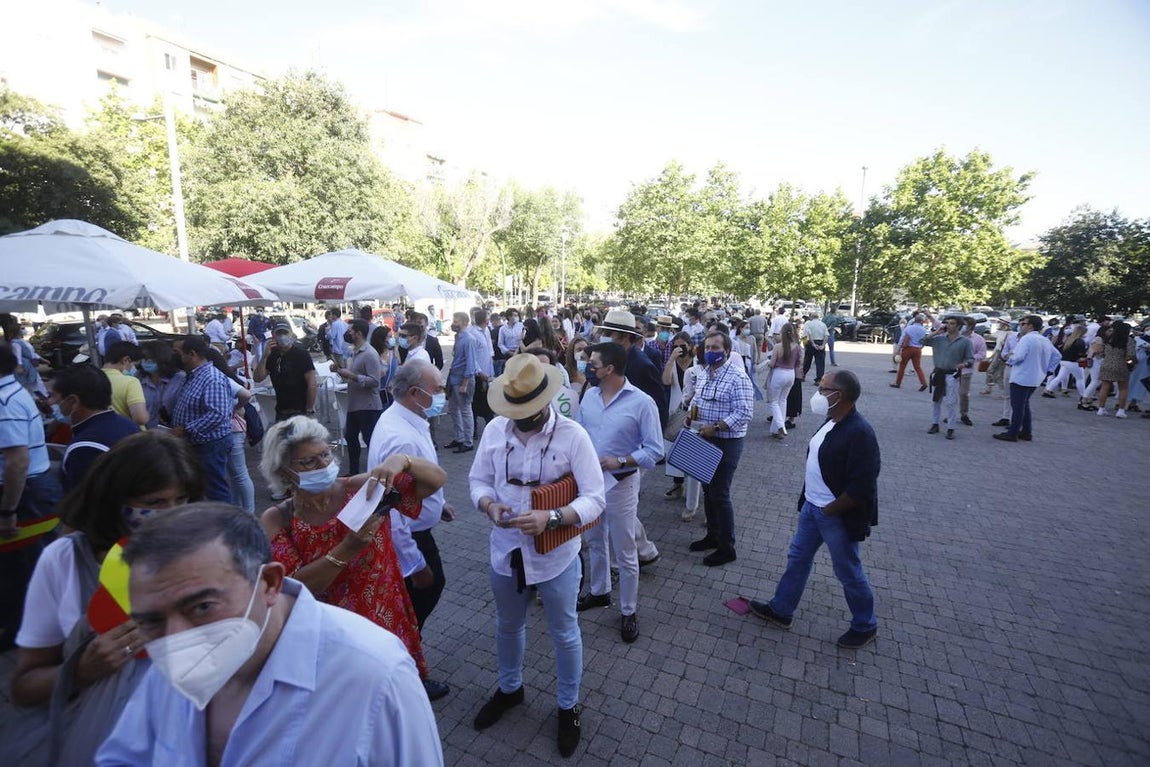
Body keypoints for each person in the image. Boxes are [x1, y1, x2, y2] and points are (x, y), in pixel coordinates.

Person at [94, 503, 443, 766]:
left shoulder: (375, 676)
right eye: (151, 621)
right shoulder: (165, 669)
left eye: (202, 607)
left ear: (270, 583)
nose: (176, 639)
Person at [7, 431, 201, 767]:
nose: (171, 515)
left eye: (181, 501)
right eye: (154, 503)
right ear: (115, 499)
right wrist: (81, 670)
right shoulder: (63, 561)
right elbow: (24, 687)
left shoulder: (207, 556)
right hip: (92, 743)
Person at [469, 354, 606, 758]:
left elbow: (595, 498)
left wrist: (554, 517)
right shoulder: (495, 430)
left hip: (557, 554)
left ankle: (569, 706)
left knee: (564, 632)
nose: (521, 418)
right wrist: (488, 505)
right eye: (515, 411)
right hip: (506, 550)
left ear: (545, 401)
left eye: (528, 411)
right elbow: (477, 479)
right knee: (507, 625)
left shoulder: (574, 436)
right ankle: (510, 689)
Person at [258, 416, 450, 699]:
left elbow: (435, 480)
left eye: (325, 454)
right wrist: (348, 548)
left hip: (385, 609)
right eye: (309, 462)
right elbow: (295, 589)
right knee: (356, 700)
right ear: (284, 471)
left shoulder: (360, 488)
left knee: (398, 688)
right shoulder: (279, 519)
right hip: (335, 631)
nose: (323, 465)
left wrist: (402, 460)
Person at [749, 369, 881, 649]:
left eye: (823, 389)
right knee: (797, 558)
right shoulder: (831, 420)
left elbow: (862, 488)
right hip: (813, 508)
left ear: (839, 395)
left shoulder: (860, 433)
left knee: (848, 570)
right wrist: (812, 503)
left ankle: (865, 625)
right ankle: (781, 610)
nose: (817, 394)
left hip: (835, 516)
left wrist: (829, 511)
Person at [365, 360, 452, 700]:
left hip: (415, 528)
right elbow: (394, 511)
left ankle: (405, 656)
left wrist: (437, 504)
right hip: (408, 538)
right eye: (439, 389)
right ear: (416, 393)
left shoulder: (407, 419)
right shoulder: (399, 436)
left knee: (414, 603)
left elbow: (414, 484)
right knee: (423, 592)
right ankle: (405, 665)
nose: (442, 394)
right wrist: (415, 565)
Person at [574, 343, 662, 643]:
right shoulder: (590, 395)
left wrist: (620, 461)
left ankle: (628, 610)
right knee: (594, 540)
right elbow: (580, 432)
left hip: (621, 485)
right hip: (590, 483)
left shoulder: (642, 402)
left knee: (624, 551)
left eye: (592, 363)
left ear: (609, 369)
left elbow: (654, 451)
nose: (588, 367)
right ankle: (599, 592)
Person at [0, 342, 64, 651]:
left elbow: (17, 461)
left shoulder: (5, 401)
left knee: (24, 568)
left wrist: (7, 510)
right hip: (29, 492)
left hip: (26, 496)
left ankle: (24, 635)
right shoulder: (13, 393)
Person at [684, 331, 754, 567]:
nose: (710, 351)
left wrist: (717, 427)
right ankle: (712, 536)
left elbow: (744, 413)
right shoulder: (705, 373)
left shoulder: (737, 377)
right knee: (708, 489)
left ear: (726, 351)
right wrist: (689, 414)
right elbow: (697, 400)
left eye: (715, 347)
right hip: (704, 438)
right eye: (707, 347)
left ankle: (727, 547)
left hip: (726, 441)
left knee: (720, 494)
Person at [47, 364, 139, 491]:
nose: (49, 402)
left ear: (73, 401)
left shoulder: (85, 448)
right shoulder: (126, 424)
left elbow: (87, 504)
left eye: (52, 396)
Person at [170, 335, 234, 502]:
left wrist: (185, 429)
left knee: (215, 490)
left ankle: (227, 525)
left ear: (191, 354)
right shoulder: (192, 375)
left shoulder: (212, 378)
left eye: (177, 352)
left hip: (210, 444)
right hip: (197, 444)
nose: (174, 356)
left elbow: (218, 414)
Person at [331, 319, 382, 474]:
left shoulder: (370, 353)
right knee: (351, 438)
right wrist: (339, 370)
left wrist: (353, 376)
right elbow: (355, 374)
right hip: (355, 405)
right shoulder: (355, 351)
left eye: (351, 330)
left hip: (368, 406)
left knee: (370, 441)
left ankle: (378, 472)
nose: (348, 333)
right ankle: (354, 472)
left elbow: (375, 381)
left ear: (359, 333)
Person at [994, 315, 1048, 442]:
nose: (1021, 326)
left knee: (1017, 405)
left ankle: (1013, 433)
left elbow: (1018, 357)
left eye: (1023, 323)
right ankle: (1026, 431)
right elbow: (1056, 356)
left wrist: (1009, 358)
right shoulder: (1043, 339)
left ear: (1030, 326)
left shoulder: (1026, 339)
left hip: (1021, 376)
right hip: (1035, 377)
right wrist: (1046, 370)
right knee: (1024, 404)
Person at [922, 315, 974, 440]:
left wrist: (965, 364)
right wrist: (936, 332)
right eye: (948, 323)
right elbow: (922, 341)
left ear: (958, 326)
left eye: (952, 323)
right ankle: (935, 424)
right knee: (936, 400)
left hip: (952, 374)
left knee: (951, 402)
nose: (949, 325)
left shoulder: (965, 341)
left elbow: (970, 358)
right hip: (939, 373)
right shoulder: (939, 339)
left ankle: (951, 428)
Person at [254, 321, 317, 422]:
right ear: (273, 336)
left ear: (291, 334)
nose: (282, 336)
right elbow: (258, 378)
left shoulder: (302, 354)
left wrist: (309, 409)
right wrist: (264, 357)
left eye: (285, 333)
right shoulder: (272, 354)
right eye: (279, 333)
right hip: (281, 411)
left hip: (300, 410)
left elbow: (312, 384)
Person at [444, 311, 479, 453]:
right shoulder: (459, 337)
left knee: (465, 410)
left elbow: (470, 364)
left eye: (456, 321)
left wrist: (465, 384)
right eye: (454, 320)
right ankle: (459, 438)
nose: (454, 323)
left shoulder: (468, 339)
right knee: (453, 408)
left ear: (465, 322)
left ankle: (468, 441)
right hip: (454, 378)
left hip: (463, 379)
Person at [765, 322, 803, 440]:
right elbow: (798, 364)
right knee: (783, 401)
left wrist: (767, 363)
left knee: (774, 401)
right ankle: (776, 430)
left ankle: (781, 426)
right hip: (790, 374)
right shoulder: (798, 347)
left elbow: (772, 364)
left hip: (778, 373)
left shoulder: (778, 346)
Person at [137, 342, 186, 429]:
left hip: (172, 432)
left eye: (150, 359)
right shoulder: (138, 377)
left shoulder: (180, 379)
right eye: (144, 359)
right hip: (145, 432)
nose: (146, 362)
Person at [1094, 321, 1137, 418]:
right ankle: (1121, 410)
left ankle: (1101, 409)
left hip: (1106, 364)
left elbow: (1101, 353)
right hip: (1121, 365)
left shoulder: (1108, 339)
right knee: (1123, 388)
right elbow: (1131, 355)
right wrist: (1133, 363)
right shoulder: (1129, 340)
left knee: (1104, 387)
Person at [101, 341, 149, 427]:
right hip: (130, 435)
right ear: (125, 360)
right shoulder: (131, 382)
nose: (134, 369)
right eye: (134, 365)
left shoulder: (92, 379)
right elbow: (140, 418)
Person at [958, 317, 987, 426]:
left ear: (970, 326)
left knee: (964, 393)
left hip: (966, 370)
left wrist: (969, 359)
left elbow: (982, 354)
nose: (962, 327)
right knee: (951, 394)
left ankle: (964, 414)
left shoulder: (978, 339)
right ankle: (951, 414)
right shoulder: (956, 336)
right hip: (952, 369)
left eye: (964, 324)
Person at [891, 313, 929, 390]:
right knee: (917, 367)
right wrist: (921, 347)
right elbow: (925, 340)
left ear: (914, 320)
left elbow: (902, 339)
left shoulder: (908, 328)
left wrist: (898, 350)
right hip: (917, 349)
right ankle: (923, 382)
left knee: (902, 366)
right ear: (922, 322)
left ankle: (898, 383)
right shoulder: (924, 330)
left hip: (908, 349)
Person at [800, 313, 829, 384]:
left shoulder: (808, 324)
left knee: (807, 360)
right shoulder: (823, 324)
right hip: (820, 342)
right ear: (818, 317)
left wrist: (809, 344)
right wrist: (823, 345)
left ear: (811, 317)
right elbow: (826, 335)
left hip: (810, 342)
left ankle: (803, 375)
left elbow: (807, 335)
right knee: (820, 362)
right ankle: (819, 379)